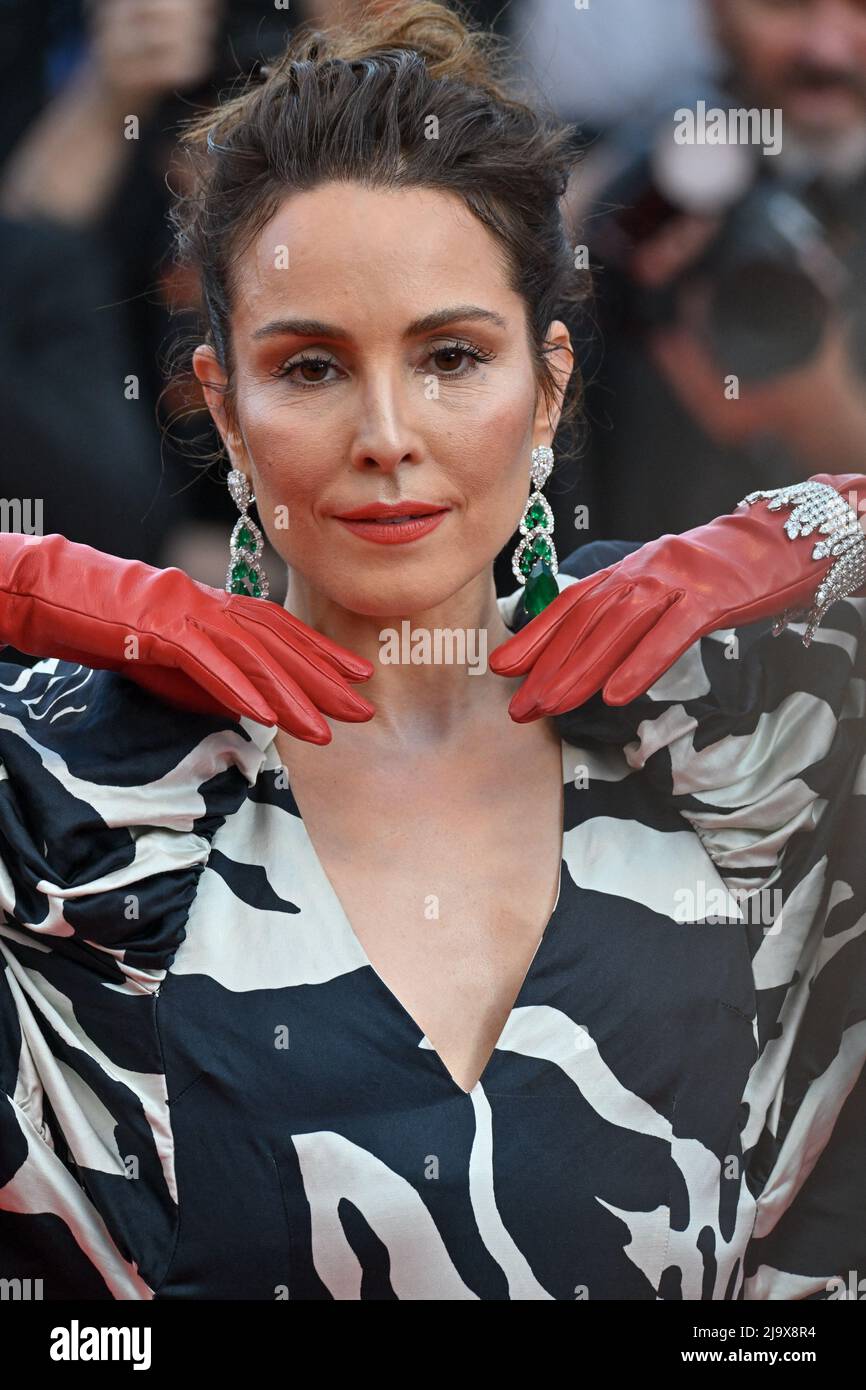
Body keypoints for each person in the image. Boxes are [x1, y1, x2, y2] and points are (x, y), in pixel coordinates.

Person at [0, 0, 864, 1301]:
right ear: (220, 404)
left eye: (451, 356)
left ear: (549, 385)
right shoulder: (66, 782)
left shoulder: (748, 732)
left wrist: (818, 520)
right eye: (309, 369)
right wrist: (37, 583)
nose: (386, 433)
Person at [571, 0, 866, 545]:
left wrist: (827, 420)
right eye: (787, 6)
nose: (826, 49)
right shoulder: (647, 158)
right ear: (715, 13)